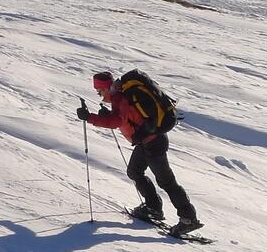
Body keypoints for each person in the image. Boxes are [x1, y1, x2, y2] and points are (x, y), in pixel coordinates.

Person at [77, 70, 201, 235]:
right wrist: (107, 115)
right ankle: (153, 207)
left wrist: (90, 118)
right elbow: (127, 118)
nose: (100, 95)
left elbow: (116, 121)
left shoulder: (119, 98)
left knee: (166, 182)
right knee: (134, 171)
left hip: (153, 143)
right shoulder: (120, 95)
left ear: (105, 88)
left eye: (99, 91)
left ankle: (188, 219)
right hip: (146, 141)